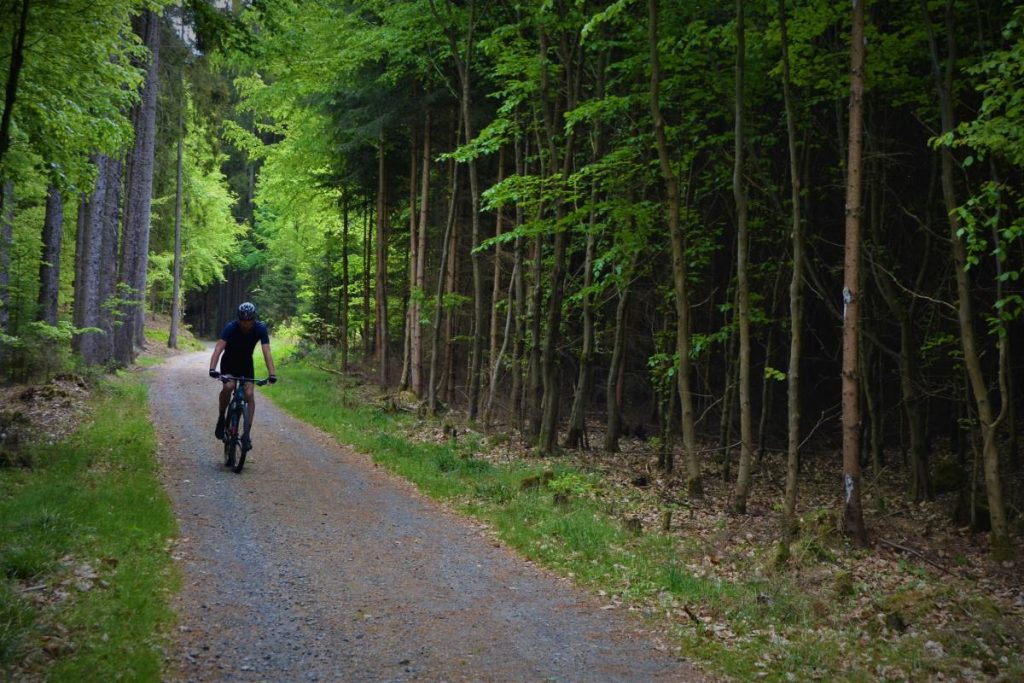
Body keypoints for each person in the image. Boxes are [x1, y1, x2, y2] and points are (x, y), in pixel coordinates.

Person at [209, 302, 277, 449]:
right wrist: (212, 368)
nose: (246, 323)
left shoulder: (260, 328)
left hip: (246, 364)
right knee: (229, 386)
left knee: (249, 393)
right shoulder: (231, 327)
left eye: (249, 320)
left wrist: (272, 373)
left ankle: (246, 434)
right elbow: (219, 347)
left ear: (254, 319)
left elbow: (267, 351)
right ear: (239, 319)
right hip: (229, 363)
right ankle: (222, 417)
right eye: (243, 320)